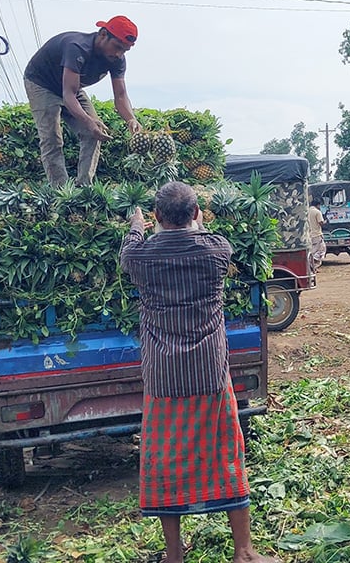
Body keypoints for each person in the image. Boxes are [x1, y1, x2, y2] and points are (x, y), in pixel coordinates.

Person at [119, 182, 277, 563]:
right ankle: (244, 551)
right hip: (209, 372)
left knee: (164, 460)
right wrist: (196, 223)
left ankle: (175, 553)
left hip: (163, 376)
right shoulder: (216, 250)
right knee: (226, 453)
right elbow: (211, 238)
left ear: (157, 216)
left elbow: (128, 249)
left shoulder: (139, 257)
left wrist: (136, 225)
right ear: (195, 215)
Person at [24, 16, 143, 186]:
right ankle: (62, 191)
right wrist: (88, 120)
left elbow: (121, 95)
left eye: (124, 50)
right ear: (103, 34)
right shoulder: (77, 48)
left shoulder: (117, 59)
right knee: (52, 139)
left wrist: (131, 118)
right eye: (117, 47)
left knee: (95, 131)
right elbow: (68, 95)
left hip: (72, 88)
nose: (119, 54)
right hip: (42, 83)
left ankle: (84, 187)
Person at [307, 198, 326, 272]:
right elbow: (321, 223)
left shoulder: (307, 211)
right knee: (322, 250)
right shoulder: (317, 212)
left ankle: (313, 266)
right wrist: (325, 222)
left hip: (309, 235)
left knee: (312, 251)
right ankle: (313, 266)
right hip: (317, 234)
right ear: (318, 205)